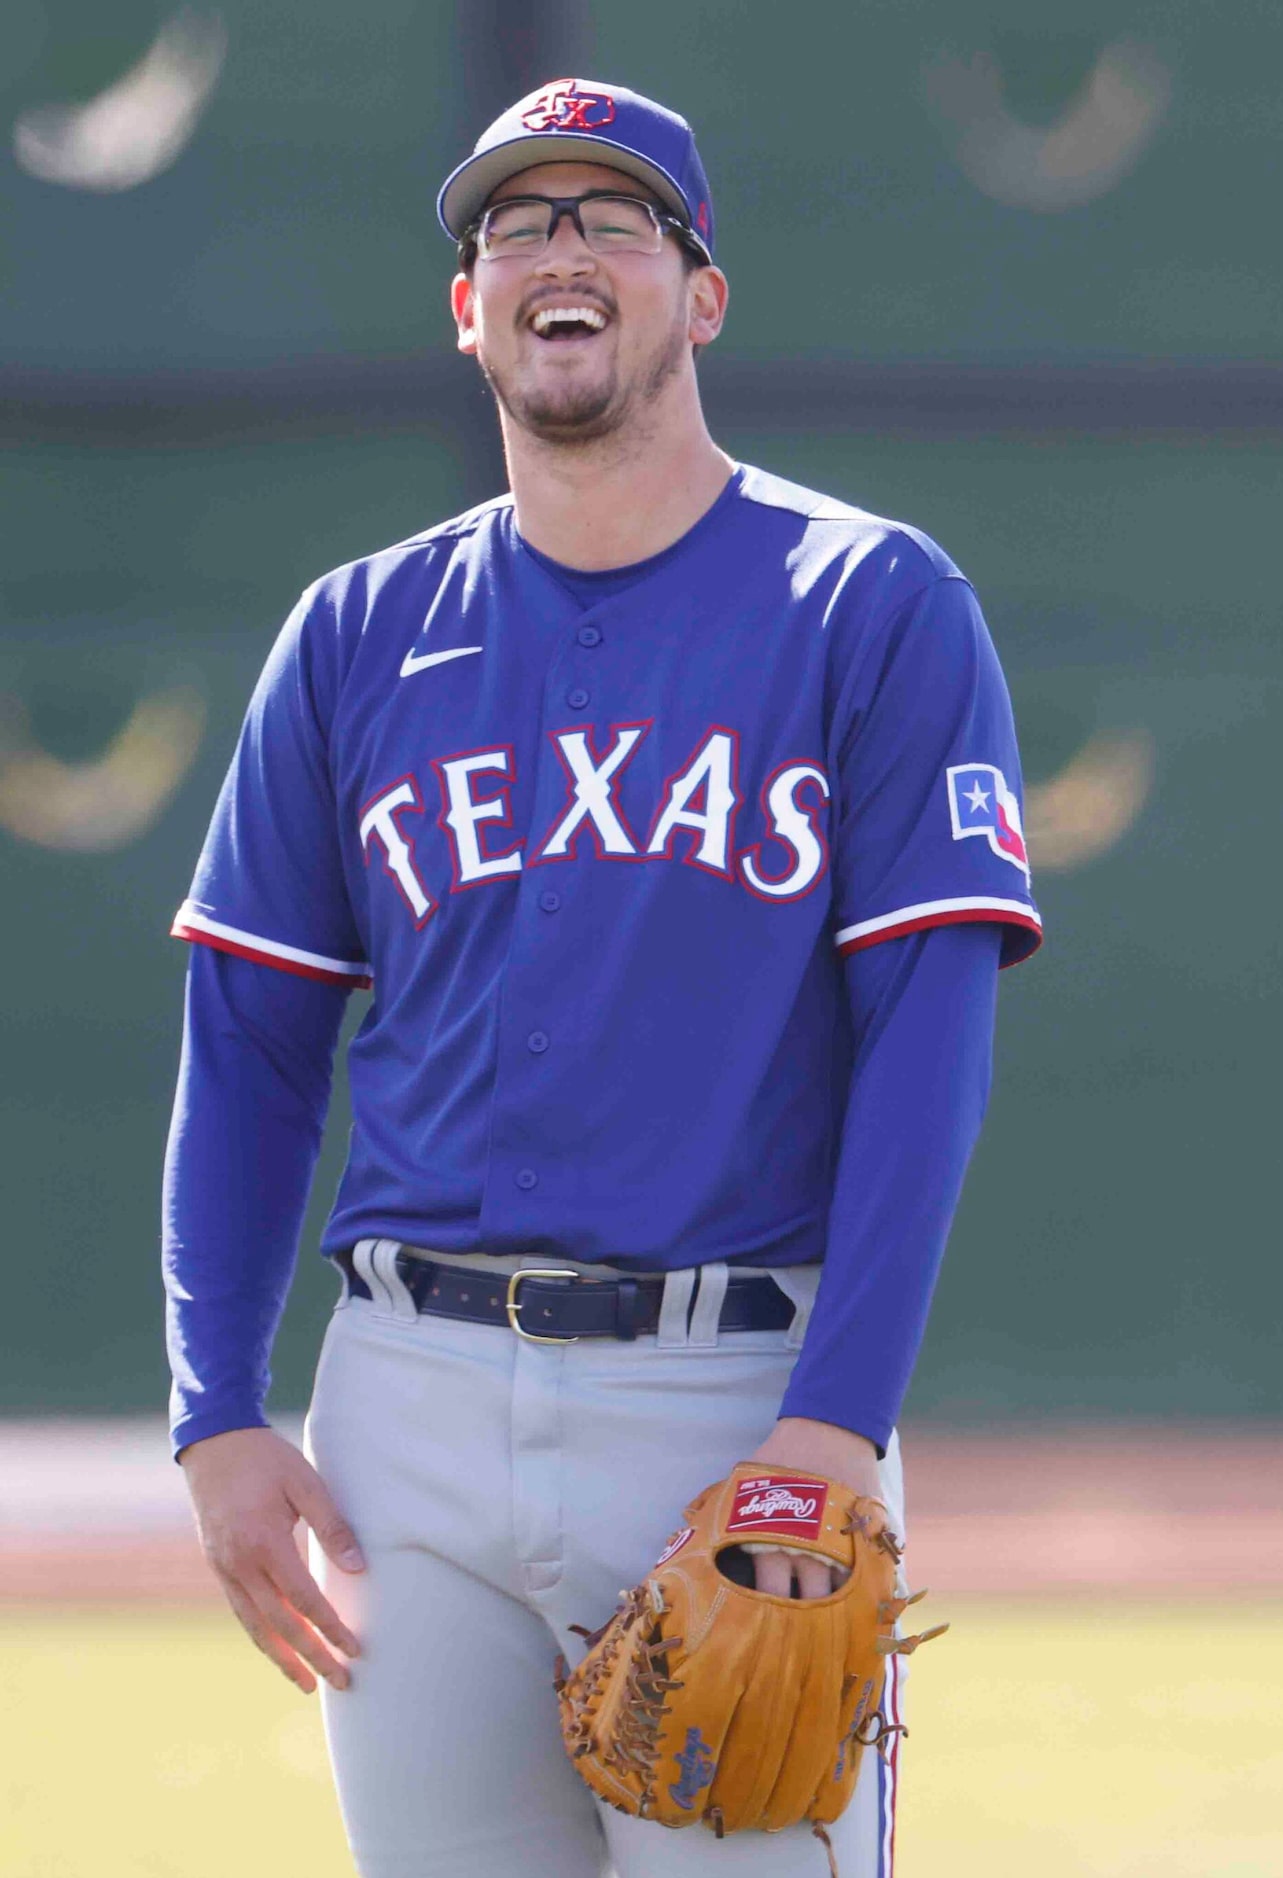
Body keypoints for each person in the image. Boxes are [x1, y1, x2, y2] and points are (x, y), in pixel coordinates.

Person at [161, 78, 1040, 1877]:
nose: (560, 252)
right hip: (404, 1407)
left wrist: (833, 1426)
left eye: (612, 219)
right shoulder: (353, 635)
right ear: (469, 309)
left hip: (729, 1398)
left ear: (700, 291)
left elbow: (929, 1039)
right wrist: (216, 1414)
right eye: (515, 227)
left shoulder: (869, 602)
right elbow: (249, 1044)